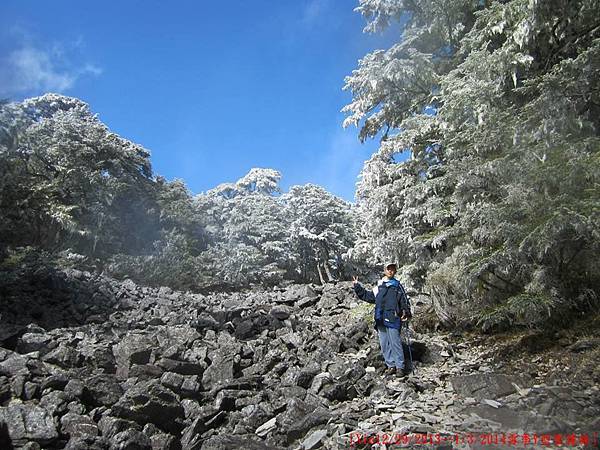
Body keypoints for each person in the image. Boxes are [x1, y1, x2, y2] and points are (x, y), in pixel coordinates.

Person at [352, 262, 412, 377]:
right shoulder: (379, 286)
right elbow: (368, 296)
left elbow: (404, 301)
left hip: (393, 317)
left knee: (395, 342)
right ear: (385, 270)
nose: (391, 271)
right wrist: (357, 286)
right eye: (389, 269)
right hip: (380, 318)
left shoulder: (398, 286)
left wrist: (406, 312)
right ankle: (391, 365)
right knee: (384, 344)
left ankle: (400, 367)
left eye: (393, 269)